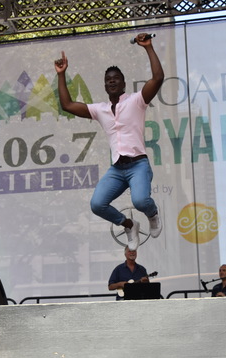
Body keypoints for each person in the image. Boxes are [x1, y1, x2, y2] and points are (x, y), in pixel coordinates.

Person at [54, 33, 164, 250]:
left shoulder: (136, 101)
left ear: (123, 83)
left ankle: (153, 215)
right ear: (105, 86)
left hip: (138, 165)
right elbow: (67, 105)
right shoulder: (100, 110)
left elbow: (158, 78)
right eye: (108, 79)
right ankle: (129, 225)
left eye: (115, 78)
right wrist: (61, 74)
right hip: (117, 169)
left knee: (141, 201)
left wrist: (148, 47)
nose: (111, 81)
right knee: (97, 204)